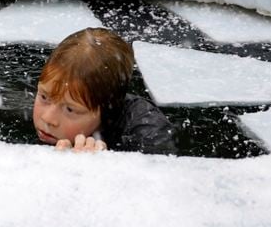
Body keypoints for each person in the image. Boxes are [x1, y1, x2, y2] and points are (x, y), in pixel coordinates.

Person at [32, 28, 176, 154]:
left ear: (106, 112)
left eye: (70, 109)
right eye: (44, 97)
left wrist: (102, 168)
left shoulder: (148, 136)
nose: (48, 118)